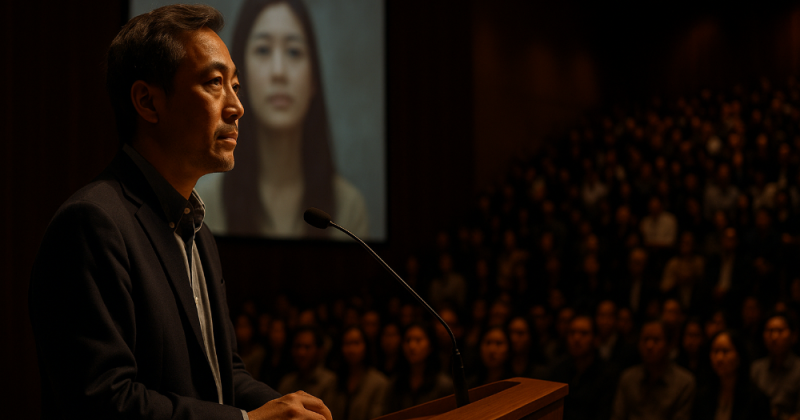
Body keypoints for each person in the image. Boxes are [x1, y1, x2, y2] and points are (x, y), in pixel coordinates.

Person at [28, 5, 331, 420]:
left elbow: (223, 375)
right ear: (147, 102)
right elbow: (102, 401)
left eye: (236, 86)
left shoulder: (197, 230)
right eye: (214, 83)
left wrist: (290, 408)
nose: (238, 107)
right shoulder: (92, 224)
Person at [198, 0, 368, 239]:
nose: (279, 72)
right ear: (239, 76)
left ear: (313, 80)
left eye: (294, 51)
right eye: (263, 50)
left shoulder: (348, 207)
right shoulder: (205, 204)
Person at [611, 320, 695, 420]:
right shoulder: (628, 378)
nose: (649, 345)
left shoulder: (684, 382)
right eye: (645, 339)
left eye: (656, 340)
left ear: (669, 345)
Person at [549, 315, 617, 420]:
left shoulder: (607, 374)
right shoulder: (559, 370)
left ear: (596, 339)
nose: (576, 338)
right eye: (572, 333)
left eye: (584, 333)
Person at [692, 330, 771, 420]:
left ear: (739, 356)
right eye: (715, 351)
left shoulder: (757, 400)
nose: (719, 358)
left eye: (725, 351)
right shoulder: (702, 396)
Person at [383, 322, 453, 413]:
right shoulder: (395, 384)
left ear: (431, 346)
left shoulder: (444, 385)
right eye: (408, 340)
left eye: (418, 340)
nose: (411, 346)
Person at [751, 313, 800, 419]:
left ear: (794, 335)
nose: (774, 337)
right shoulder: (756, 368)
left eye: (780, 331)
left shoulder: (798, 369)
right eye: (770, 331)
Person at [278, 326, 337, 403]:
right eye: (298, 346)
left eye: (307, 347)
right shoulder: (287, 382)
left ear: (319, 351)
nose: (301, 352)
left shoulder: (329, 382)